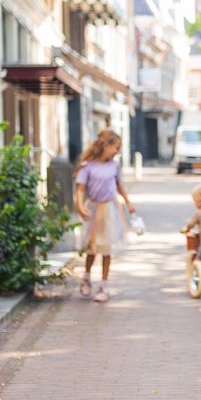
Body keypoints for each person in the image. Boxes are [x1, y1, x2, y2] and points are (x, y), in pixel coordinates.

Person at [74, 129, 135, 303]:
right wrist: (79, 206)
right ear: (106, 145)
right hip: (93, 209)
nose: (117, 151)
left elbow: (119, 185)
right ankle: (86, 277)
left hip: (109, 209)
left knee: (106, 249)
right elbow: (80, 188)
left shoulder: (114, 166)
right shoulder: (87, 166)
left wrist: (128, 202)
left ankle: (104, 285)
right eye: (116, 147)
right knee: (92, 247)